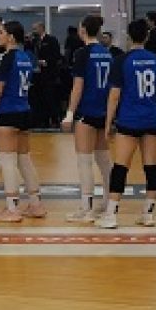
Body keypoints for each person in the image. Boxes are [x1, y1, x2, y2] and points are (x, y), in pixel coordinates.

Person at [97, 20, 156, 229]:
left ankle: (111, 215)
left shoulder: (121, 60)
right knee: (151, 166)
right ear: (147, 36)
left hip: (129, 120)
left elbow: (114, 96)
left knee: (120, 167)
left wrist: (108, 123)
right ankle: (148, 213)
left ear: (129, 36)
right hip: (152, 119)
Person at [0, 21, 45, 222]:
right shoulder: (26, 57)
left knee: (7, 160)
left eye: (1, 32)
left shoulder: (6, 58)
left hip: (8, 112)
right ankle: (35, 204)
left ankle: (12, 208)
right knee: (24, 159)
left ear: (11, 37)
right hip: (24, 110)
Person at [62, 14, 113, 223]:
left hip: (87, 110)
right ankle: (109, 202)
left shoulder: (82, 53)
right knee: (104, 160)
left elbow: (78, 86)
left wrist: (69, 113)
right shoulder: (107, 53)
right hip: (104, 111)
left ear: (83, 30)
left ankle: (87, 209)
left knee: (84, 161)